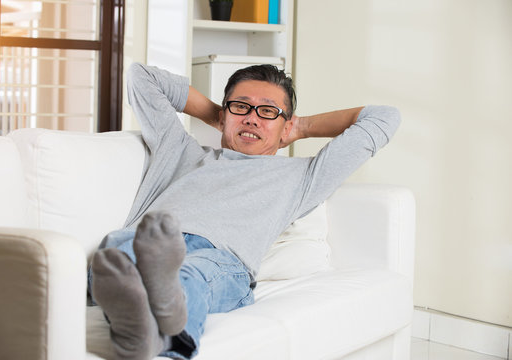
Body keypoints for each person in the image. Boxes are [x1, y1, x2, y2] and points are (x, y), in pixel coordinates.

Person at [89, 62, 401, 360]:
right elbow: (141, 77)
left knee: (193, 273)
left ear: (286, 126)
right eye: (241, 106)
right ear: (223, 116)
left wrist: (301, 127)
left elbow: (384, 117)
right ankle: (148, 331)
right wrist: (221, 115)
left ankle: (150, 318)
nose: (252, 118)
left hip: (220, 261)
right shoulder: (181, 151)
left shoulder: (302, 177)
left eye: (267, 111)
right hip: (144, 243)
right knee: (120, 252)